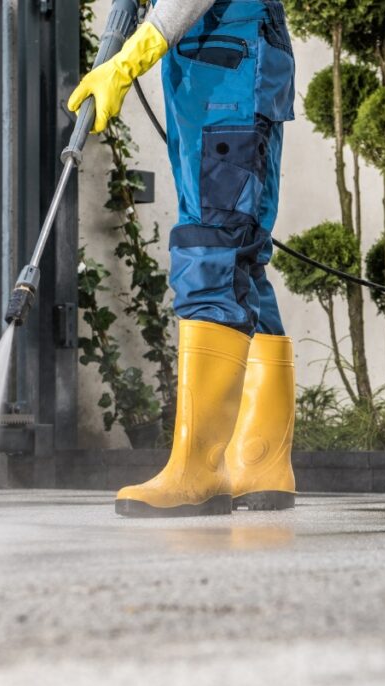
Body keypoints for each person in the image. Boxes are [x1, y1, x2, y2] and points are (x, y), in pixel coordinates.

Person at [69, 0, 297, 517]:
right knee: (241, 258)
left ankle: (199, 469)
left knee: (210, 247)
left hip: (227, 60)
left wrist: (130, 59)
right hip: (219, 56)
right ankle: (261, 463)